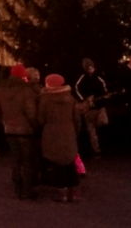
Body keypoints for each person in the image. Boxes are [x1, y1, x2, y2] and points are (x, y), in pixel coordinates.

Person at [0, 64, 39, 200]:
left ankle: (17, 189)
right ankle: (27, 190)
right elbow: (31, 112)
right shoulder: (26, 91)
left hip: (9, 130)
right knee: (27, 161)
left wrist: (5, 121)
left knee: (15, 160)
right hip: (26, 131)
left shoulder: (0, 90)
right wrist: (35, 126)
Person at [38, 73, 82, 202]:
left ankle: (61, 193)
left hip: (51, 132)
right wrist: (74, 132)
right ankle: (73, 192)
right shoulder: (70, 99)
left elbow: (40, 119)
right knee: (70, 162)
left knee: (57, 164)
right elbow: (77, 119)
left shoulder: (45, 100)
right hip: (68, 132)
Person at [73, 58, 109, 158]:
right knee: (91, 131)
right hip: (88, 108)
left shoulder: (99, 77)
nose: (90, 69)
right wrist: (85, 100)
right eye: (88, 68)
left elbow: (105, 90)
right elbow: (76, 89)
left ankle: (104, 148)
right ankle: (96, 151)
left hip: (100, 106)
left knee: (103, 125)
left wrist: (101, 99)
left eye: (91, 67)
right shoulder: (81, 78)